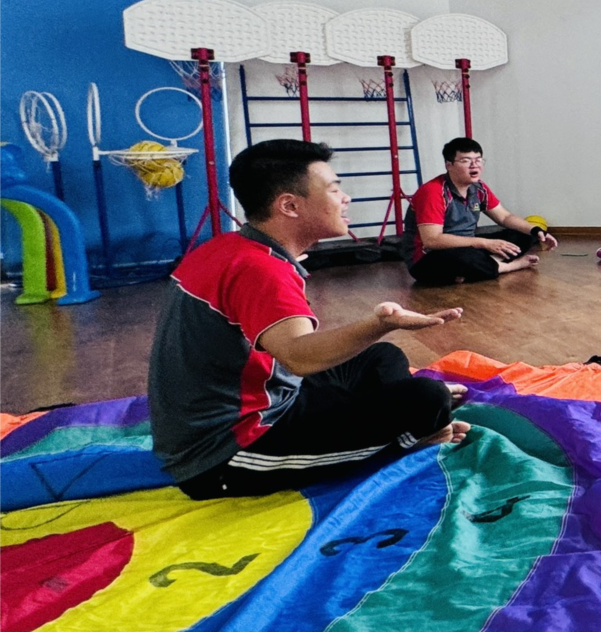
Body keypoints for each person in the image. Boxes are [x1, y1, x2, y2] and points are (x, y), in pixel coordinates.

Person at [148, 139, 468, 499]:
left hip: (254, 400)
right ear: (289, 205)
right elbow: (300, 357)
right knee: (426, 397)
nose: (345, 198)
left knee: (383, 357)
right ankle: (416, 433)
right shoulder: (261, 268)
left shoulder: (231, 247)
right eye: (333, 189)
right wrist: (381, 323)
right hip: (224, 454)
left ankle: (410, 418)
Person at [404, 137, 557, 287]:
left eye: (478, 160)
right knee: (464, 257)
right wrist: (484, 243)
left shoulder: (479, 188)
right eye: (465, 161)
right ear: (449, 165)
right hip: (429, 258)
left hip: (469, 246)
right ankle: (506, 266)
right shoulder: (433, 191)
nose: (474, 165)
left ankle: (479, 268)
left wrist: (536, 230)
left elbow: (505, 217)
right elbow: (432, 240)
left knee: (524, 234)